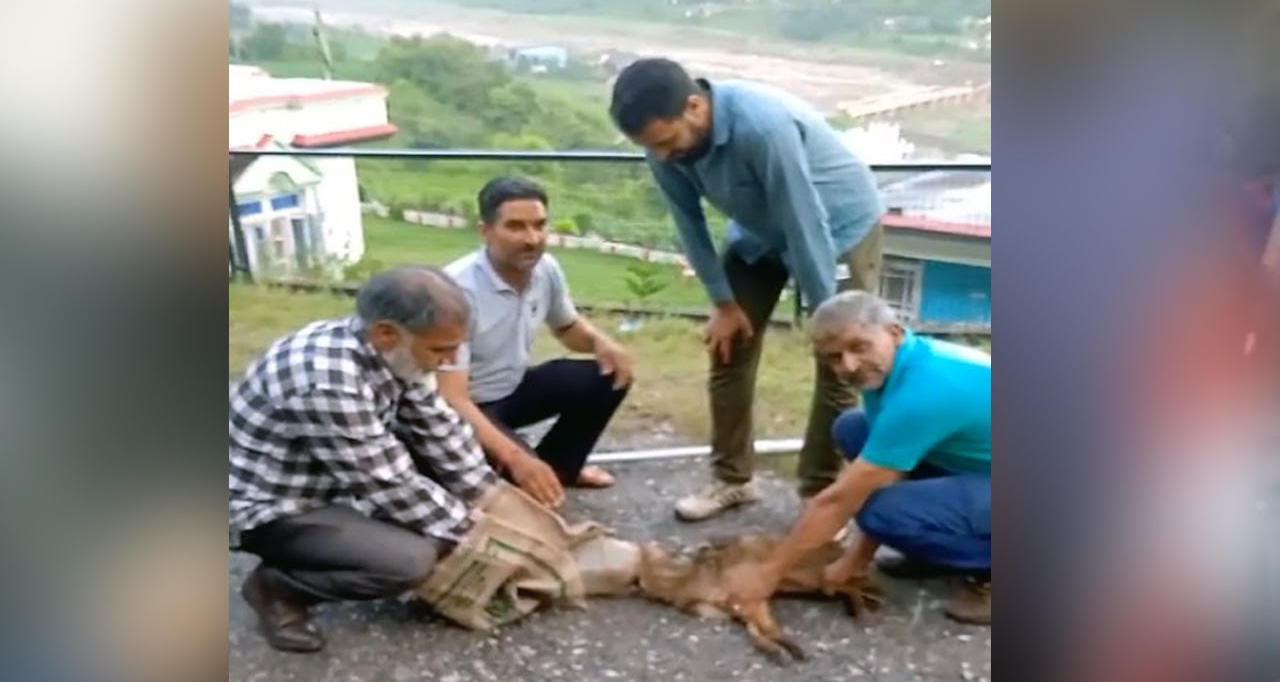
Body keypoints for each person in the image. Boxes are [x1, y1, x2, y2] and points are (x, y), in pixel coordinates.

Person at [608, 57, 887, 521]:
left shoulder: (762, 128)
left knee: (843, 359)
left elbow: (805, 220)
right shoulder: (662, 146)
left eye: (666, 142)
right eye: (650, 147)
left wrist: (828, 315)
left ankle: (818, 492)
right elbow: (688, 223)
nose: (662, 155)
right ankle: (732, 479)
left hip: (838, 225)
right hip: (759, 232)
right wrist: (722, 301)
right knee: (728, 345)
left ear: (695, 107)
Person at [229, 266, 497, 653]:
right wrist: (477, 533)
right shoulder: (324, 379)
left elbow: (439, 428)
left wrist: (491, 497)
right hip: (269, 505)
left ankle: (346, 543)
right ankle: (276, 589)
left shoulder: (396, 351)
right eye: (440, 350)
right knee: (410, 561)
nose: (450, 360)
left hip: (330, 480)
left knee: (445, 517)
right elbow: (387, 482)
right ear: (386, 332)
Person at [722, 291, 992, 625]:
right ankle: (942, 550)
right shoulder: (898, 365)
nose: (848, 366)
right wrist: (856, 559)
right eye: (834, 358)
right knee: (853, 429)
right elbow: (884, 474)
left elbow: (838, 501)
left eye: (859, 347)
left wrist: (769, 574)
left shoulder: (925, 391)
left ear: (893, 332)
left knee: (882, 512)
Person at [439, 176, 635, 509]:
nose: (532, 239)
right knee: (521, 499)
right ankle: (524, 473)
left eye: (539, 225)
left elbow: (567, 327)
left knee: (608, 374)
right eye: (515, 227)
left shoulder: (545, 269)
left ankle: (560, 470)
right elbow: (452, 398)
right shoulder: (455, 292)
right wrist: (516, 457)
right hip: (464, 411)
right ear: (485, 231)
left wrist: (603, 342)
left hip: (512, 391)